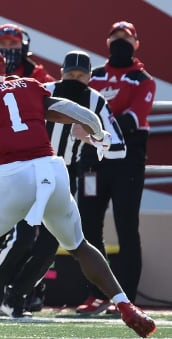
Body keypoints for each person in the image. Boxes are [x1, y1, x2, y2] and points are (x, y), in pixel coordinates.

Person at [0, 42, 156, 339]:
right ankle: (126, 307)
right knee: (79, 245)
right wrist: (98, 131)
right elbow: (68, 109)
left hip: (13, 176)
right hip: (53, 171)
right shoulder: (27, 86)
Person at [0, 51, 126, 317]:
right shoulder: (42, 91)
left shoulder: (95, 101)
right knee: (23, 235)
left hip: (63, 173)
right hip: (31, 166)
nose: (74, 79)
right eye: (70, 74)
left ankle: (18, 294)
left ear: (89, 77)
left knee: (51, 243)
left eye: (80, 75)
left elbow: (119, 147)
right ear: (61, 72)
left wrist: (93, 138)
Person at [77, 20, 156, 315]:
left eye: (126, 37)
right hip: (92, 162)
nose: (120, 41)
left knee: (126, 226)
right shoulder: (93, 76)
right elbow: (76, 109)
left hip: (127, 162)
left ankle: (126, 297)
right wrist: (90, 131)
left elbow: (133, 119)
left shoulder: (143, 79)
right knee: (88, 226)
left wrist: (95, 129)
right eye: (115, 36)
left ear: (136, 44)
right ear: (107, 40)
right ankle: (96, 294)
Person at [0, 23, 57, 314]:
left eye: (13, 43)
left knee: (50, 239)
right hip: (2, 166)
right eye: (2, 43)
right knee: (15, 234)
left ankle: (25, 290)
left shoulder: (40, 80)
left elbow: (58, 110)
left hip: (43, 166)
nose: (8, 48)